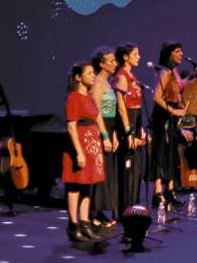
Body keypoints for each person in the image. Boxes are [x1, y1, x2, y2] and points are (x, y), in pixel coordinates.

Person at [63, 62, 112, 242]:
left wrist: (105, 137)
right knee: (75, 185)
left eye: (93, 73)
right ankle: (73, 225)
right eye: (89, 73)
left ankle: (85, 223)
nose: (93, 76)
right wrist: (79, 152)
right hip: (80, 147)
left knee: (87, 185)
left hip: (92, 146)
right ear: (78, 77)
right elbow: (71, 127)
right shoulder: (73, 98)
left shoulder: (89, 97)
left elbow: (97, 116)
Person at [150, 41, 187, 209]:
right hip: (162, 117)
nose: (181, 54)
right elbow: (156, 97)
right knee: (161, 153)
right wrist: (173, 110)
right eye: (177, 51)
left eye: (181, 51)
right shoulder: (165, 72)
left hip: (171, 117)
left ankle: (170, 191)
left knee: (171, 152)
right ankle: (158, 193)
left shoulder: (174, 72)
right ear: (168, 54)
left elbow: (175, 92)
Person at [114, 43, 147, 215]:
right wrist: (128, 132)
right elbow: (121, 107)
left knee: (135, 170)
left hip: (135, 122)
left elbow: (138, 106)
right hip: (126, 125)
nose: (139, 57)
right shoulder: (121, 76)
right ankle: (123, 211)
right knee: (127, 170)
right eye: (135, 54)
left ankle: (133, 207)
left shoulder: (132, 77)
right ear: (125, 57)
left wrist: (141, 130)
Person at [89, 46, 120, 228]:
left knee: (106, 172)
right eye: (111, 61)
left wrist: (113, 134)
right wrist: (105, 135)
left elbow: (111, 112)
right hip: (99, 130)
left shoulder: (108, 83)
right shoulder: (97, 83)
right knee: (98, 171)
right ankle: (93, 212)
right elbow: (96, 112)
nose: (115, 64)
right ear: (101, 64)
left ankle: (100, 210)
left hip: (109, 128)